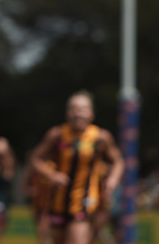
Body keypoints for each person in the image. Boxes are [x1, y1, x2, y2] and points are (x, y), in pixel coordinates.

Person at [30, 90, 124, 244]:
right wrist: (51, 175)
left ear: (91, 114)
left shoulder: (100, 137)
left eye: (82, 109)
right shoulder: (57, 134)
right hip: (58, 201)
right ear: (67, 113)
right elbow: (34, 159)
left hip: (84, 200)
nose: (77, 113)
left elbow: (118, 160)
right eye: (73, 108)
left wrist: (113, 180)